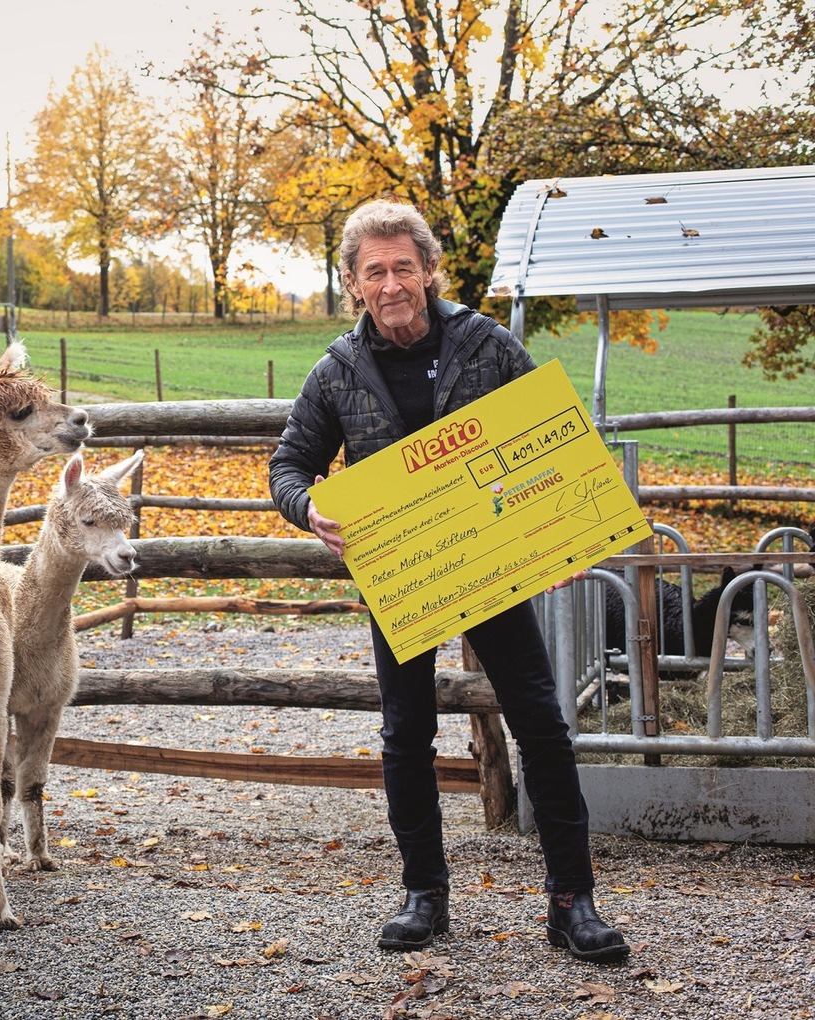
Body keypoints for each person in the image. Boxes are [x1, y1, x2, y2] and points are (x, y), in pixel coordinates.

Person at [268, 199, 629, 963]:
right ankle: (424, 896)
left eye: (405, 266)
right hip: (404, 577)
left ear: (429, 269)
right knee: (407, 735)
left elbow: (550, 444)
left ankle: (573, 901)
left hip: (494, 570)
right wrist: (312, 510)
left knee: (540, 724)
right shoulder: (337, 371)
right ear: (353, 282)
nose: (392, 283)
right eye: (376, 271)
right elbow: (289, 466)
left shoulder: (487, 345)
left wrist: (560, 537)